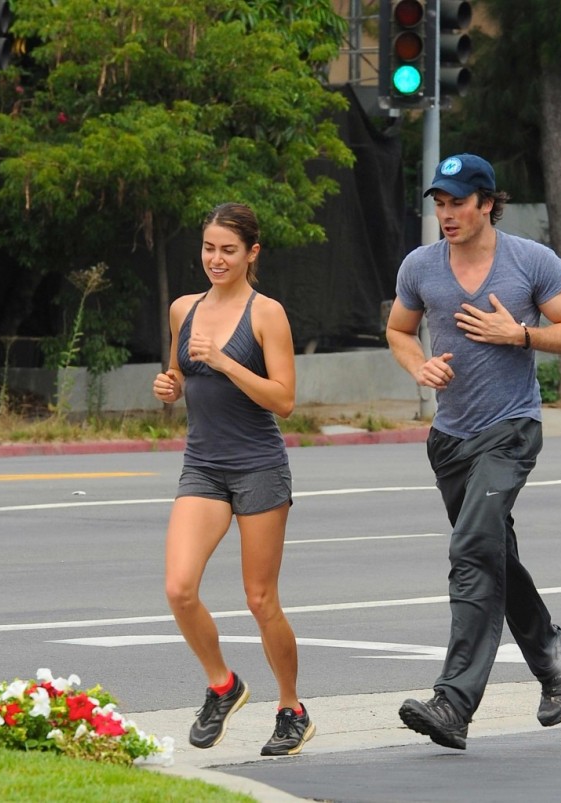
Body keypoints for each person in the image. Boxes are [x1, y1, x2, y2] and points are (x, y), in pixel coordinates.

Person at [386, 153, 561, 750]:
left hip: (510, 428)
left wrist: (520, 333)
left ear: (486, 202)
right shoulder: (420, 266)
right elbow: (399, 330)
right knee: (494, 555)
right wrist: (416, 365)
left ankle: (453, 703)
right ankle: (554, 659)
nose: (446, 214)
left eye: (457, 202)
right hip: (450, 440)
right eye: (439, 203)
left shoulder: (531, 261)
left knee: (473, 546)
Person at [152, 202, 315, 757]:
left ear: (252, 254)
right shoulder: (183, 309)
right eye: (208, 248)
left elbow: (286, 401)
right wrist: (171, 387)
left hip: (258, 467)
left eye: (228, 250)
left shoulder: (267, 314)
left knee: (260, 598)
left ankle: (291, 709)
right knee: (179, 587)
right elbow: (178, 374)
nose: (216, 259)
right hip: (202, 465)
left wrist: (225, 361)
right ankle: (223, 685)